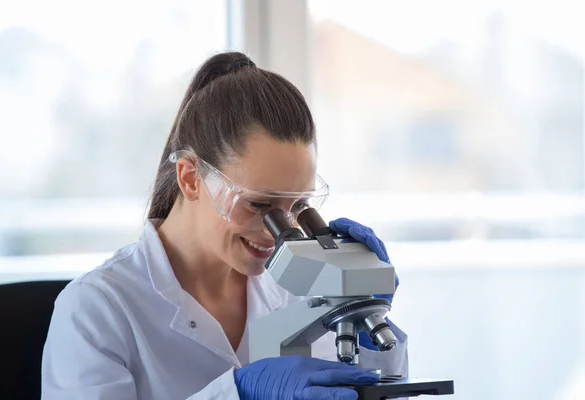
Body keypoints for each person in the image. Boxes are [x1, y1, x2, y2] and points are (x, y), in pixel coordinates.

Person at [41, 51, 408, 400]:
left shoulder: (298, 290)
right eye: (258, 204)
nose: (274, 233)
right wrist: (235, 393)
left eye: (297, 206)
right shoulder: (96, 309)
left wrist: (368, 337)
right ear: (189, 178)